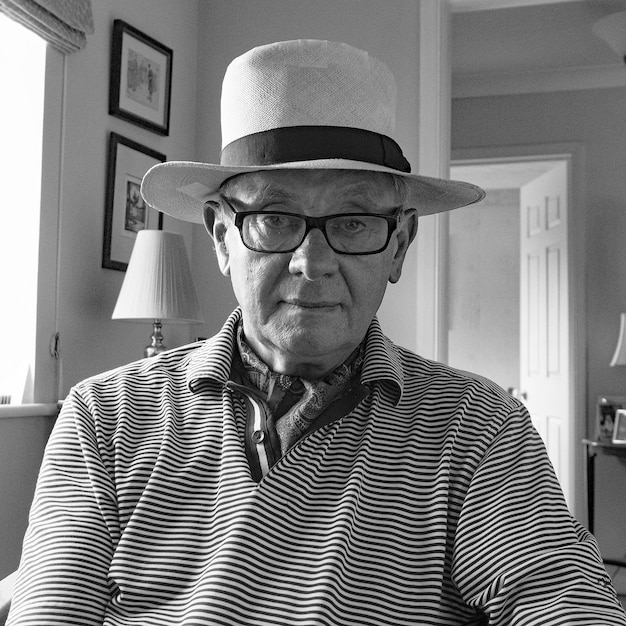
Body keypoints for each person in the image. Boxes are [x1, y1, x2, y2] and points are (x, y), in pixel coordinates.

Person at [7, 39, 626, 626]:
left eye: (354, 221)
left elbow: (564, 600)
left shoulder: (478, 426)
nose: (313, 260)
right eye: (275, 217)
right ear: (223, 237)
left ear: (401, 244)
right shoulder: (103, 415)